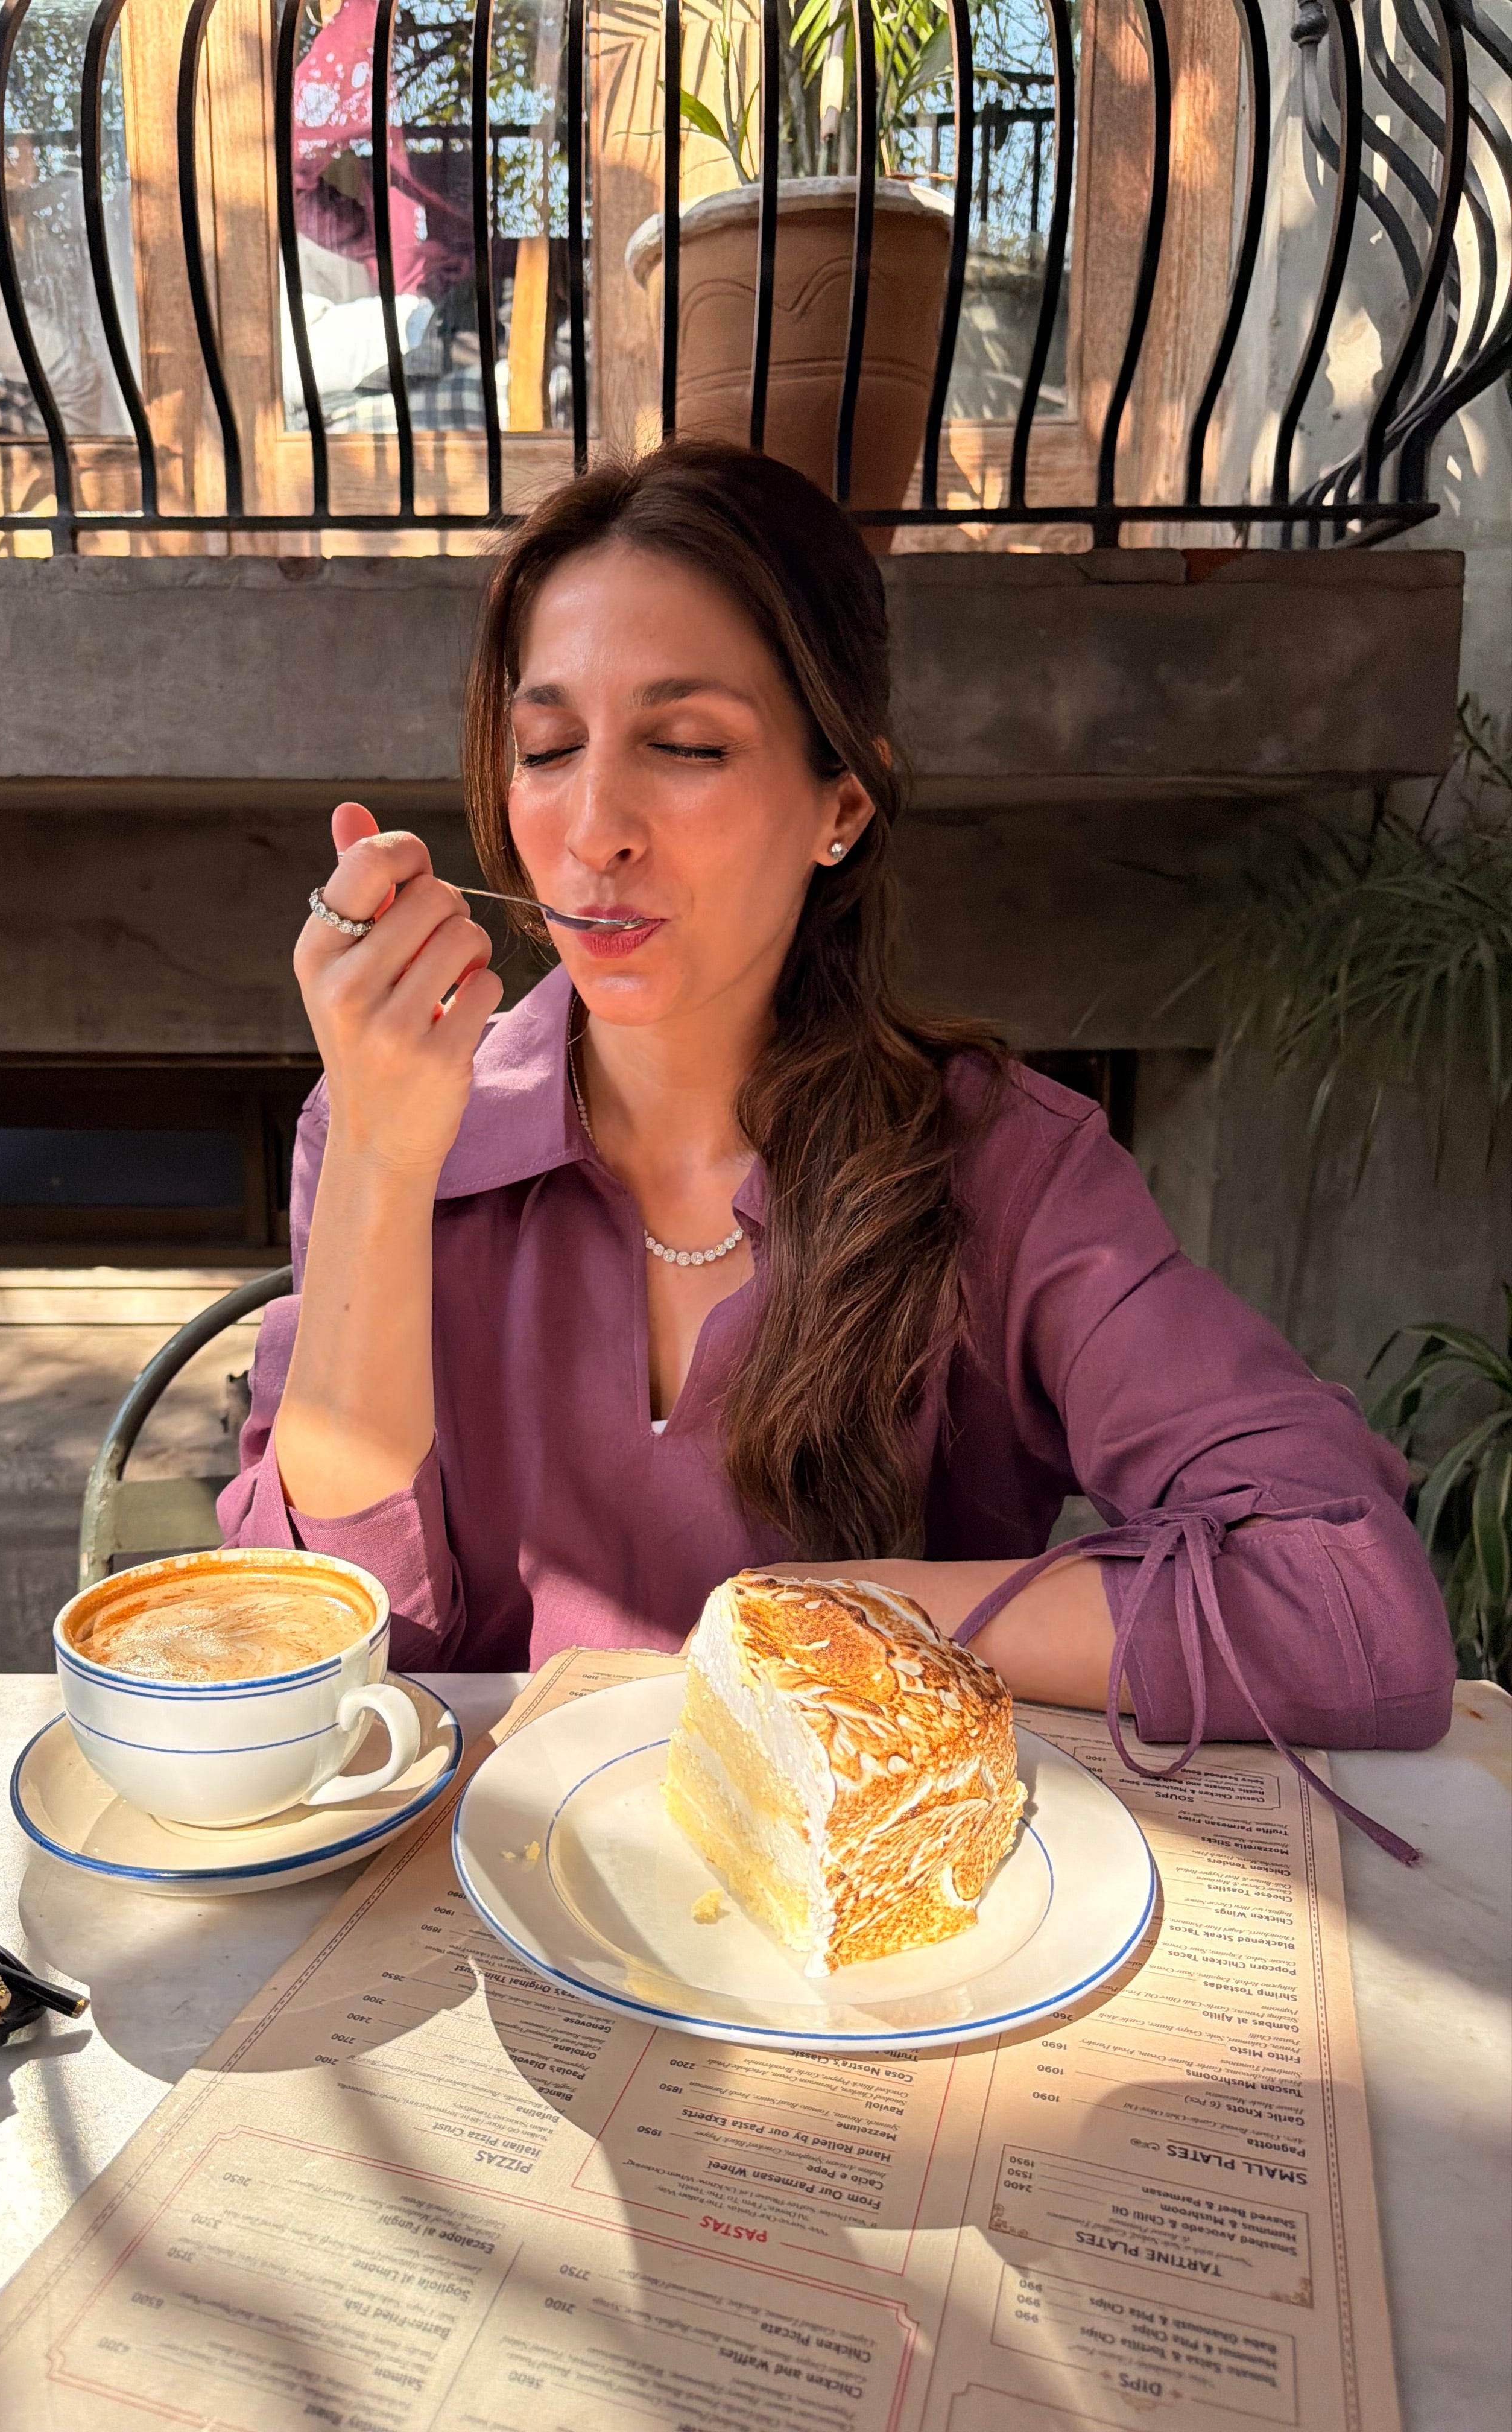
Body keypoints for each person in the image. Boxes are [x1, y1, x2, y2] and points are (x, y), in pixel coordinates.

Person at [219, 442, 1454, 1841]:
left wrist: (834, 1612)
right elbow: (309, 1658)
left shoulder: (1005, 1171)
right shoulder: (383, 1123)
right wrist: (380, 1164)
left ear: (840, 808)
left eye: (688, 747)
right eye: (548, 750)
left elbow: (1351, 1608)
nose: (593, 830)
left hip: (856, 1922)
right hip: (466, 1906)